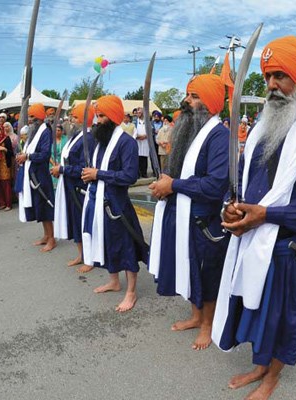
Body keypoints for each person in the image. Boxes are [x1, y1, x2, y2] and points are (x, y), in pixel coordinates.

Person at [212, 36, 296, 400]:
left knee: (281, 321)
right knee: (257, 314)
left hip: (291, 252)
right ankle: (259, 366)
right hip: (251, 242)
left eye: (281, 76)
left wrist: (269, 214)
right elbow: (240, 181)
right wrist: (231, 204)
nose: (272, 85)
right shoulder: (259, 130)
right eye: (268, 77)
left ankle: (271, 378)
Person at [148, 73, 230, 350]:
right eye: (188, 94)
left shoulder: (220, 136)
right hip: (184, 217)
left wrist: (174, 185)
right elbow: (180, 173)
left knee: (207, 275)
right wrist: (163, 183)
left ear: (209, 103)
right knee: (191, 270)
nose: (186, 101)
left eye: (194, 96)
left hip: (204, 223)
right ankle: (196, 317)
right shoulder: (190, 131)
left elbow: (216, 184)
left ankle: (207, 325)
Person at [81, 95, 147, 312]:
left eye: (101, 116)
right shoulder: (101, 142)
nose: (96, 121)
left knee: (126, 247)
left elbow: (129, 177)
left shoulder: (126, 142)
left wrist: (98, 174)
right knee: (107, 242)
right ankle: (114, 281)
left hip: (118, 205)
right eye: (97, 116)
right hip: (98, 201)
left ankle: (131, 292)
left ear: (113, 117)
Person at [52, 103, 96, 268]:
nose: (71, 120)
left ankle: (90, 258)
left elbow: (84, 168)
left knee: (82, 221)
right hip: (69, 185)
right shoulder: (75, 136)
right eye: (71, 117)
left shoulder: (89, 138)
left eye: (76, 117)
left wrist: (62, 169)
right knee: (75, 221)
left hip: (80, 187)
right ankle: (81, 254)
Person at [15, 103, 56, 252]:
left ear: (39, 117)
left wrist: (27, 156)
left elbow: (45, 154)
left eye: (32, 116)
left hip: (41, 176)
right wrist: (22, 156)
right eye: (29, 116)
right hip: (32, 175)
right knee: (39, 205)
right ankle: (46, 235)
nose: (30, 120)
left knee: (45, 206)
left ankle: (52, 239)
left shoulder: (45, 131)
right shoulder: (33, 132)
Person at [0, 124, 14, 211]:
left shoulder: (6, 139)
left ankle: (8, 204)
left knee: (6, 184)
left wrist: (4, 149)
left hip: (5, 164)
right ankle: (2, 203)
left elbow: (11, 153)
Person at [50, 125, 68, 190]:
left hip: (62, 163)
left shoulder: (66, 139)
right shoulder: (50, 140)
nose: (57, 132)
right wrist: (54, 163)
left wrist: (60, 164)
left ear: (62, 131)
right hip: (52, 163)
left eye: (59, 130)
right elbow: (48, 154)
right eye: (55, 130)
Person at [133, 108, 149, 178]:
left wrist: (145, 136)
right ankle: (138, 174)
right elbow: (133, 131)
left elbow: (150, 130)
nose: (139, 114)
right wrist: (138, 136)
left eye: (140, 112)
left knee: (144, 159)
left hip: (145, 141)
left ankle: (144, 173)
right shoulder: (135, 122)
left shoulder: (147, 121)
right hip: (138, 141)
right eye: (138, 112)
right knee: (138, 158)